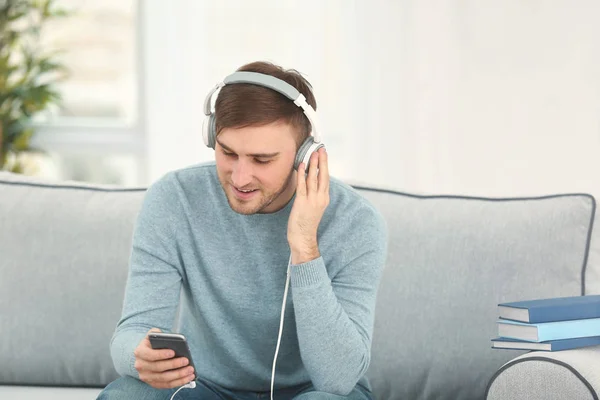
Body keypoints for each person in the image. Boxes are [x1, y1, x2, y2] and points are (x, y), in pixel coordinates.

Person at [97, 61, 388, 400]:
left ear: (304, 155)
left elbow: (337, 380)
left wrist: (304, 244)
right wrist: (139, 355)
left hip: (311, 392)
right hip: (204, 388)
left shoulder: (356, 221)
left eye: (262, 160)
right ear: (211, 138)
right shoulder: (174, 199)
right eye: (228, 152)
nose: (239, 178)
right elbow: (130, 334)